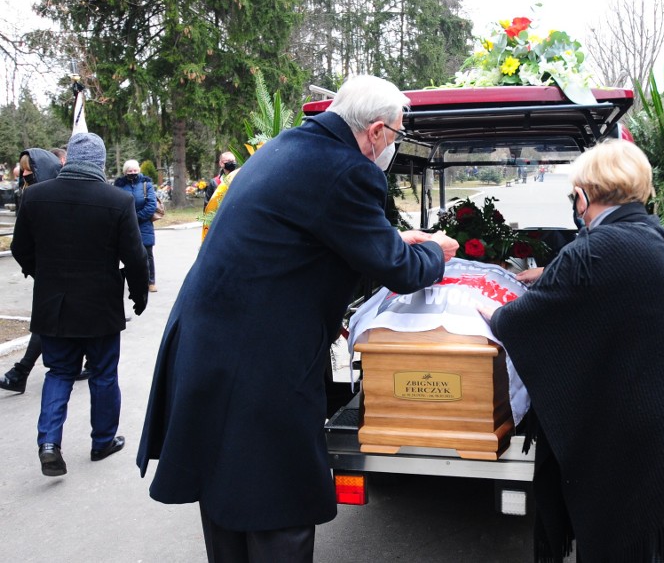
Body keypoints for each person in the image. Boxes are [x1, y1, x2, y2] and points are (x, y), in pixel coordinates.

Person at [137, 74, 459, 562]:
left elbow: (322, 237)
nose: (393, 143)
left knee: (225, 495)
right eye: (395, 133)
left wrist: (396, 241)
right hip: (258, 363)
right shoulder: (348, 170)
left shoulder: (289, 146)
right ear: (375, 131)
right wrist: (437, 251)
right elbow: (399, 270)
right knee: (277, 503)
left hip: (210, 345)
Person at [479, 140, 664, 562]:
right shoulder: (647, 234)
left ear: (585, 195)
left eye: (575, 196)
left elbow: (519, 322)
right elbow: (609, 284)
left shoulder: (593, 250)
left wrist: (480, 303)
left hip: (659, 442)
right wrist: (552, 273)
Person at [11, 132, 149, 477]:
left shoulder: (36, 197)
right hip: (99, 306)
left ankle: (48, 443)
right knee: (103, 374)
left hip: (53, 303)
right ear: (100, 163)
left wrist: (41, 274)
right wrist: (138, 294)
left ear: (68, 159)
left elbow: (20, 248)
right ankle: (102, 441)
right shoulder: (117, 201)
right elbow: (134, 256)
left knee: (58, 372)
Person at [0, 148, 63, 394]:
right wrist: (35, 268)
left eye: (29, 169)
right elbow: (21, 244)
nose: (24, 173)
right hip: (46, 272)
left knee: (47, 322)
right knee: (46, 322)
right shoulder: (27, 194)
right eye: (23, 169)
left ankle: (21, 371)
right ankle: (21, 371)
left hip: (58, 272)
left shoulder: (50, 195)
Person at [114, 159, 158, 292]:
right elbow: (116, 203)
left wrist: (136, 217)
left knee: (147, 253)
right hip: (125, 225)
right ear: (125, 172)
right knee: (128, 254)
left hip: (144, 225)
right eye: (129, 171)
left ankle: (151, 281)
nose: (132, 173)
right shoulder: (119, 185)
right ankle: (134, 281)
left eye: (135, 170)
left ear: (139, 170)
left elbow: (151, 205)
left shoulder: (146, 184)